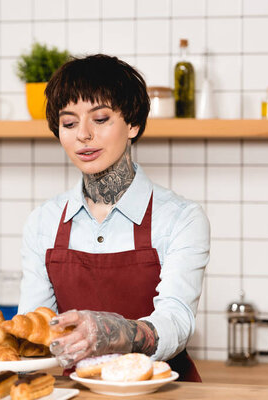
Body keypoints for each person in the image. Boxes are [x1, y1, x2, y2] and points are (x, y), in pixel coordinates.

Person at [17, 54, 210, 382]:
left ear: (133, 123)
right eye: (69, 123)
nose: (83, 135)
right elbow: (35, 327)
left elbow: (177, 321)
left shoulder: (181, 219)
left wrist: (113, 332)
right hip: (72, 389)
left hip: (159, 391)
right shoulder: (43, 222)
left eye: (101, 118)